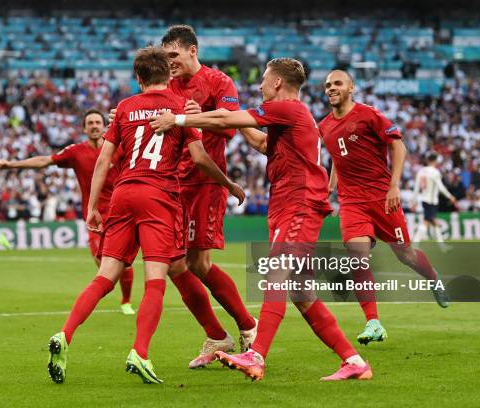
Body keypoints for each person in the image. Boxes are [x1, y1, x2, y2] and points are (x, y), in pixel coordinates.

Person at [150, 58, 371, 381]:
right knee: (300, 291)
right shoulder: (290, 118)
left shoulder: (289, 108)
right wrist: (226, 117)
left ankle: (257, 354)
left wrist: (180, 119)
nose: (260, 85)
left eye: (265, 80)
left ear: (279, 83)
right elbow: (260, 142)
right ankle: (353, 361)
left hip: (299, 203)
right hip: (287, 204)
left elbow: (227, 117)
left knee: (276, 276)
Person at [46, 46, 245, 385]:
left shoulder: (124, 107)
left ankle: (65, 334)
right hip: (159, 196)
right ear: (168, 75)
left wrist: (93, 206)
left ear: (138, 78)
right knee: (156, 277)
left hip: (123, 194)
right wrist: (228, 184)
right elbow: (197, 157)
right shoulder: (181, 107)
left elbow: (104, 161)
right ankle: (140, 351)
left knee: (105, 276)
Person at [112, 24, 257, 368]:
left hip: (205, 182)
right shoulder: (169, 85)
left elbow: (231, 123)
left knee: (197, 263)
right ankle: (217, 335)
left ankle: (249, 327)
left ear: (193, 50)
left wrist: (191, 117)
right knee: (176, 265)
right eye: (166, 56)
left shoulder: (219, 82)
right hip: (171, 184)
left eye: (174, 54)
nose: (170, 61)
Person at [319, 70, 449, 346]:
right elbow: (336, 157)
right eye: (328, 84)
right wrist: (330, 187)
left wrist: (394, 186)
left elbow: (398, 147)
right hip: (352, 202)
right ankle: (373, 321)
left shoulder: (370, 115)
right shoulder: (325, 126)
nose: (331, 88)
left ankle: (433, 277)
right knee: (357, 256)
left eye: (338, 83)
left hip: (382, 199)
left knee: (407, 256)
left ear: (351, 88)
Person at [0, 109, 135, 314]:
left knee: (121, 263)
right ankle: (110, 291)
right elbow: (45, 160)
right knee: (102, 264)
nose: (95, 125)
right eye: (90, 123)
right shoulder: (76, 151)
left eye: (98, 122)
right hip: (94, 216)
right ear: (84, 128)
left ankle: (126, 302)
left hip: (120, 213)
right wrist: (12, 165)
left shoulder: (119, 148)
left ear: (104, 125)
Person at [412, 152, 457, 251]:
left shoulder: (421, 171)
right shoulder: (435, 172)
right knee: (426, 222)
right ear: (436, 161)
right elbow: (440, 187)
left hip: (424, 199)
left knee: (434, 222)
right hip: (432, 201)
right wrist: (450, 196)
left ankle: (442, 246)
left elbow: (416, 187)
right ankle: (415, 245)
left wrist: (414, 201)